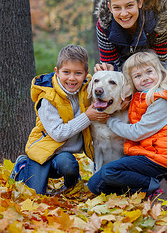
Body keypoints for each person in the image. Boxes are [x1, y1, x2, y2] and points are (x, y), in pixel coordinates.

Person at [88, 51, 167, 206]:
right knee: (94, 185)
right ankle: (140, 190)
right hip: (147, 154)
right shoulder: (142, 96)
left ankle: (158, 188)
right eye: (137, 76)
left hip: (161, 159)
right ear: (132, 82)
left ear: (160, 72)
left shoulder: (163, 101)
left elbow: (137, 133)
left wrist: (110, 120)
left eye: (149, 71)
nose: (144, 78)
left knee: (109, 172)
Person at [10, 45, 109, 195]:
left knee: (68, 163)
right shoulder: (48, 98)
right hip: (42, 152)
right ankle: (22, 167)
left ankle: (71, 185)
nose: (72, 78)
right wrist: (87, 116)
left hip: (63, 157)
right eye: (66, 72)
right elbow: (58, 134)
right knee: (35, 195)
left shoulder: (88, 88)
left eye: (78, 73)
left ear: (85, 74)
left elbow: (103, 89)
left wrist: (106, 74)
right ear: (57, 72)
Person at [94, 0, 167, 72]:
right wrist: (110, 68)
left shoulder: (158, 23)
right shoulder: (104, 26)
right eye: (117, 7)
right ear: (110, 7)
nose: (124, 13)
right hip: (121, 71)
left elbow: (159, 64)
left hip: (150, 70)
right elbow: (110, 63)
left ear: (140, 2)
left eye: (129, 6)